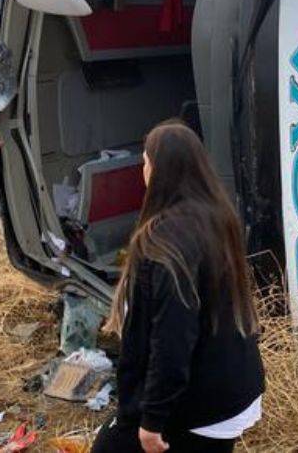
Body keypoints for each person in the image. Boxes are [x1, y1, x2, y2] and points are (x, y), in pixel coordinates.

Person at [92, 121, 265, 453]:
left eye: (145, 161)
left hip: (200, 403)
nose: (142, 169)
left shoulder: (162, 241)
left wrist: (151, 418)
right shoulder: (217, 216)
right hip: (234, 389)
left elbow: (172, 336)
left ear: (159, 171)